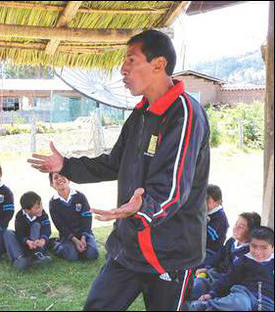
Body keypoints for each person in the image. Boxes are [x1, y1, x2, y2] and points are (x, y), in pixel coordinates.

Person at [28, 29, 211, 311]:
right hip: (129, 247)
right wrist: (66, 165)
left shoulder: (185, 114)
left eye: (131, 60)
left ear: (158, 64)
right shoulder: (140, 114)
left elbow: (173, 189)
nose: (122, 69)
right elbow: (113, 163)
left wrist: (141, 208)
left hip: (170, 253)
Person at [189, 226, 274, 311]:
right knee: (238, 304)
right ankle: (206, 305)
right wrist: (212, 294)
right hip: (244, 294)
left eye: (264, 248)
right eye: (254, 246)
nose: (258, 251)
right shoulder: (243, 260)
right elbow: (228, 279)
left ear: (272, 248)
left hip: (267, 300)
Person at [192, 212, 261, 300]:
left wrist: (212, 293)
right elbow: (218, 258)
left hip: (226, 283)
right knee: (196, 280)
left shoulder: (248, 253)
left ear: (252, 232)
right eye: (236, 224)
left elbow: (232, 277)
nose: (235, 228)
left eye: (241, 227)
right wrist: (208, 268)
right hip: (216, 275)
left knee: (198, 288)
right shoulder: (231, 241)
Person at [49, 173, 98, 262]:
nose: (60, 179)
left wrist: (83, 237)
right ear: (52, 185)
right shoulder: (53, 203)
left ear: (69, 179)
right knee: (72, 257)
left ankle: (89, 242)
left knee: (92, 254)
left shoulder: (80, 196)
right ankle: (54, 243)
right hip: (68, 236)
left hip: (84, 233)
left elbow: (87, 218)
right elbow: (60, 225)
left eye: (62, 175)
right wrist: (75, 241)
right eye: (56, 178)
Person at [3, 191, 52, 270]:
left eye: (41, 205)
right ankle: (19, 258)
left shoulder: (42, 214)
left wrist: (42, 240)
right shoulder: (20, 216)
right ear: (27, 210)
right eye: (37, 208)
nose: (41, 209)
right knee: (7, 233)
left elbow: (47, 228)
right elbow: (20, 233)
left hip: (37, 244)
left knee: (36, 225)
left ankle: (37, 255)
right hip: (25, 243)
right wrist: (27, 241)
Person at [203, 184, 229, 267]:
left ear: (217, 203)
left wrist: (203, 222)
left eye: (207, 200)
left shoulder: (220, 217)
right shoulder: (205, 212)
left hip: (211, 251)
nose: (203, 203)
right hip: (202, 248)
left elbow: (212, 237)